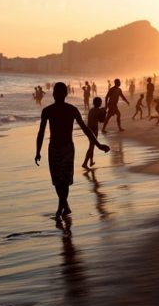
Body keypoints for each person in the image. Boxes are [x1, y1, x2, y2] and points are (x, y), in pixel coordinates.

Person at [35, 82, 110, 218]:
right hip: (53, 148)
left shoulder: (71, 110)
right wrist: (38, 151)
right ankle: (64, 205)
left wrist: (98, 145)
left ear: (65, 94)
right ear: (54, 94)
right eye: (56, 93)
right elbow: (41, 132)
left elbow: (86, 129)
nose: (58, 95)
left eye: (60, 93)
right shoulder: (47, 111)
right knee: (57, 180)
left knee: (65, 180)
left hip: (68, 148)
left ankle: (60, 207)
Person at [82, 97, 105, 169]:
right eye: (100, 102)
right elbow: (102, 120)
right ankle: (85, 163)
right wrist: (104, 113)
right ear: (99, 103)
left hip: (88, 129)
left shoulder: (91, 110)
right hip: (94, 130)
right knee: (91, 146)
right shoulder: (99, 111)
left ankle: (91, 161)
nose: (101, 103)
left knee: (92, 146)